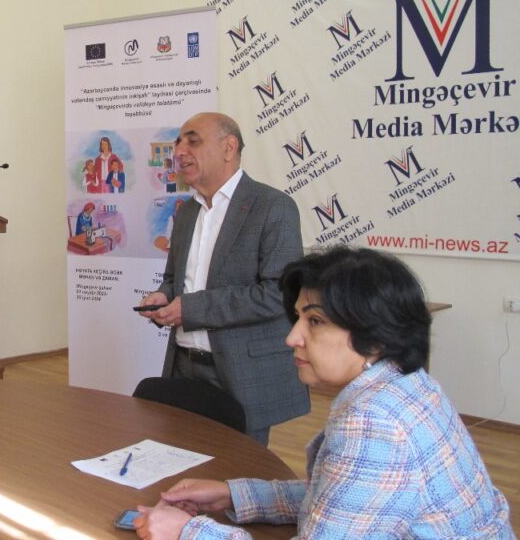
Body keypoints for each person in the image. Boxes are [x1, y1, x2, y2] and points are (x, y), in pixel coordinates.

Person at [134, 247, 514, 539]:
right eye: (299, 317)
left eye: (315, 321)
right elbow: (341, 498)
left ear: (375, 335)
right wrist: (234, 495)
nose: (292, 337)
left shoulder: (375, 424)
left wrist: (187, 531)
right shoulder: (406, 384)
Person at [138, 112, 307, 445]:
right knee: (180, 462)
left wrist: (188, 309)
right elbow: (175, 278)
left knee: (237, 471)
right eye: (178, 143)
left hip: (241, 374)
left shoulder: (273, 207)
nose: (179, 151)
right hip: (183, 365)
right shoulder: (187, 212)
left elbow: (277, 294)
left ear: (229, 148)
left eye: (192, 141)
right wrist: (164, 296)